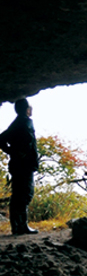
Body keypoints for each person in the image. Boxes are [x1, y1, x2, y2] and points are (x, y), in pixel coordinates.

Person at [0, 98, 39, 235]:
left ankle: (18, 226)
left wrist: (13, 152)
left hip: (20, 164)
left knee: (20, 194)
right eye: (30, 106)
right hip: (23, 165)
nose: (32, 109)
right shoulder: (23, 122)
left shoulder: (18, 123)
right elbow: (1, 139)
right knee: (24, 194)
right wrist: (15, 153)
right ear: (26, 109)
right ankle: (21, 226)